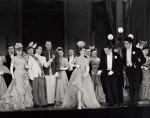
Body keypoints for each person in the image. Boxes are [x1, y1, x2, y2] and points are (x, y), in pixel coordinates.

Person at [61, 41, 100, 109]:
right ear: (79, 51)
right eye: (83, 50)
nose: (84, 51)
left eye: (84, 50)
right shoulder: (76, 58)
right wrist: (76, 65)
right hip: (77, 73)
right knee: (79, 89)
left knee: (84, 89)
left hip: (84, 74)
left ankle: (81, 103)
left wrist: (86, 73)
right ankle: (79, 103)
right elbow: (70, 64)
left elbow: (87, 67)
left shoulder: (86, 58)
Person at [0, 43, 33, 111]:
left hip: (23, 75)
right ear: (16, 51)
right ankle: (17, 104)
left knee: (24, 89)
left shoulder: (24, 58)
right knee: (16, 90)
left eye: (21, 51)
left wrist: (28, 66)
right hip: (17, 75)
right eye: (18, 51)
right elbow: (11, 68)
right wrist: (13, 76)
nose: (20, 52)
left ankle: (23, 103)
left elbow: (26, 67)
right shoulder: (14, 58)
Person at [122, 37, 146, 107]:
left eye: (126, 44)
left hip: (136, 70)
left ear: (130, 43)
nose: (125, 45)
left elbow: (143, 60)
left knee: (136, 86)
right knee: (131, 86)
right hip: (129, 70)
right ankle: (131, 101)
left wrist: (137, 64)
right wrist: (125, 65)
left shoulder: (137, 50)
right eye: (124, 44)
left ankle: (135, 102)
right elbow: (124, 60)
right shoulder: (124, 50)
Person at [43, 40, 60, 106]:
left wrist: (57, 71)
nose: (49, 45)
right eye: (47, 44)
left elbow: (57, 62)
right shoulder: (43, 53)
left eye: (50, 44)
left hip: (53, 72)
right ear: (45, 45)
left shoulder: (55, 52)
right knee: (47, 86)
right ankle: (48, 101)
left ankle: (52, 101)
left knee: (53, 86)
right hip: (46, 72)